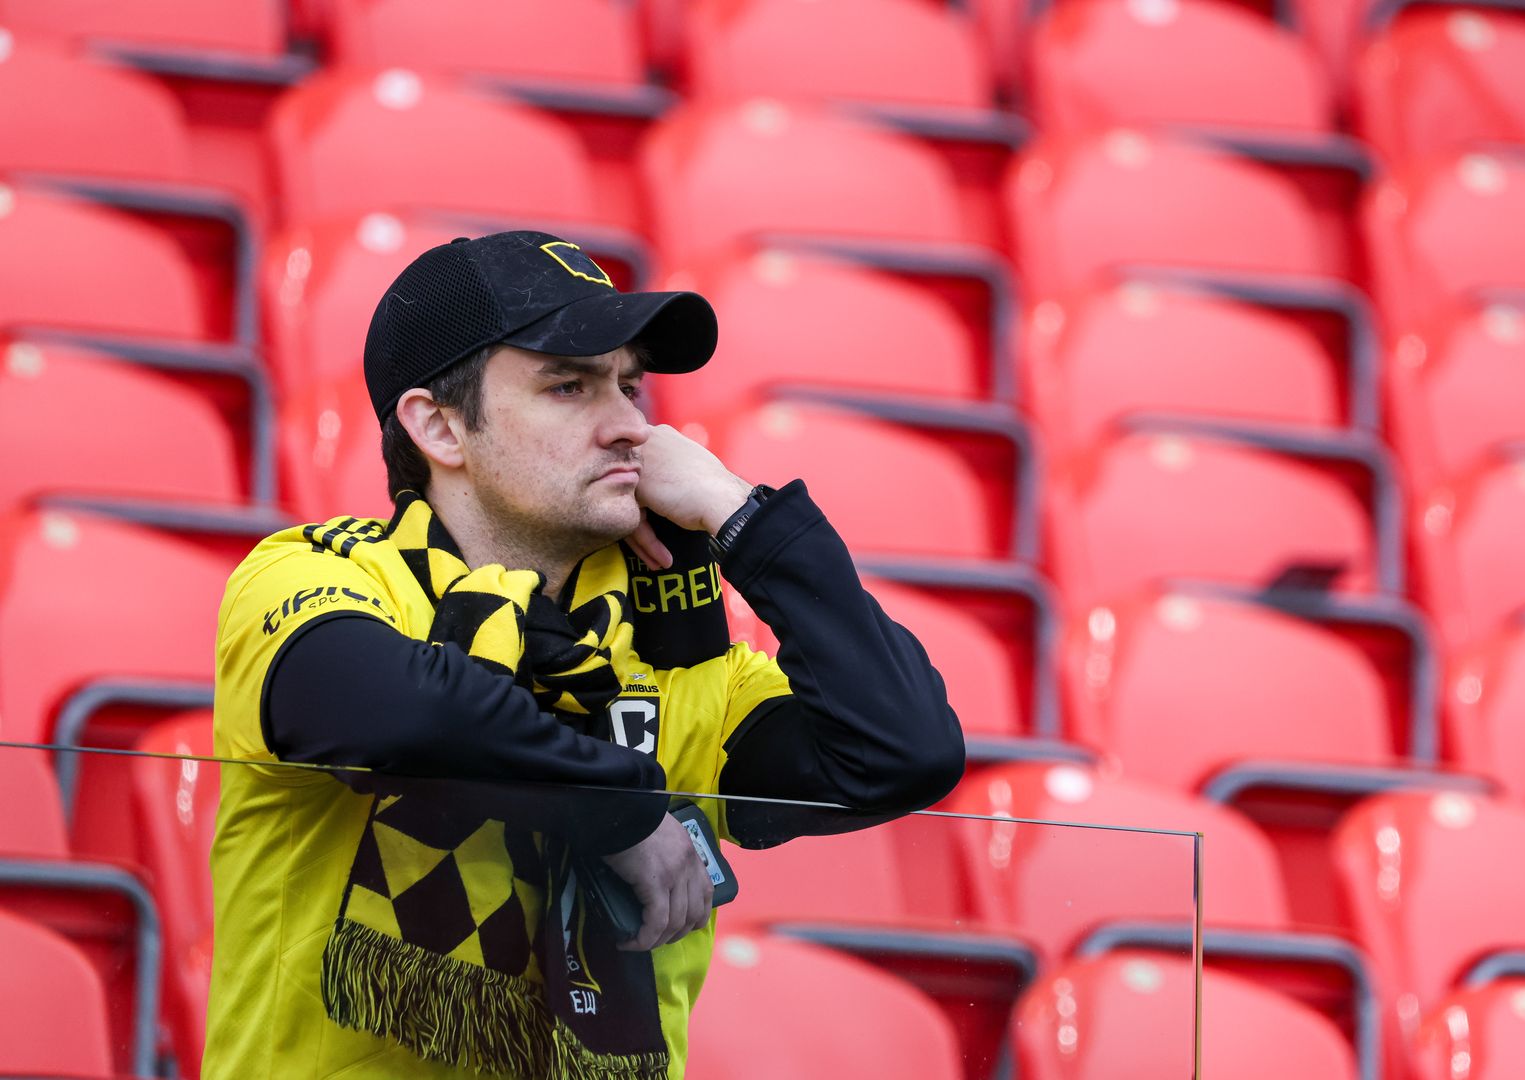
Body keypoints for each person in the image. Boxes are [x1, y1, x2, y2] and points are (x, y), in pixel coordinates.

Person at [205, 230, 966, 1079]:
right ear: (439, 427)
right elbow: (413, 716)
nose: (630, 426)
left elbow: (905, 753)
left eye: (630, 385)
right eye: (569, 386)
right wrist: (622, 813)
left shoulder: (681, 657)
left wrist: (738, 513)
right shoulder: (315, 575)